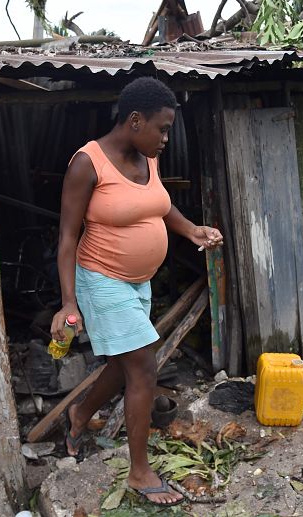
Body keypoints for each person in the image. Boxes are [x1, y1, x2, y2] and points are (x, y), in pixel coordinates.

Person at [50, 76, 223, 507]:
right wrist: (69, 302)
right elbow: (68, 239)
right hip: (100, 278)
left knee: (124, 363)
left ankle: (78, 415)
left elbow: (160, 207)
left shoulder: (148, 158)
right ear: (134, 120)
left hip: (137, 284)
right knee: (144, 366)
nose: (166, 138)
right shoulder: (87, 164)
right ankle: (140, 471)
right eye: (162, 129)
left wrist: (191, 230)